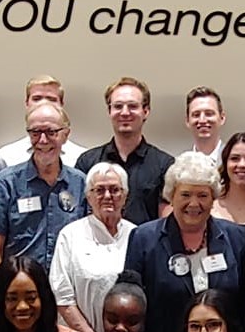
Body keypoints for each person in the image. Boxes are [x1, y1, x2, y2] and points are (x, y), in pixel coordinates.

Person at [123, 152, 245, 332]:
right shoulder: (143, 238)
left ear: (213, 199)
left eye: (202, 195)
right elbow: (134, 302)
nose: (194, 204)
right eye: (185, 195)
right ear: (171, 196)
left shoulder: (237, 238)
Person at [0, 102, 88, 279]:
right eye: (35, 132)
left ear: (65, 135)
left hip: (67, 290)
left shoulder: (81, 183)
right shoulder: (7, 182)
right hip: (20, 289)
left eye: (51, 132)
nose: (43, 140)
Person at [50, 162, 136, 332]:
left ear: (125, 195)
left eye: (114, 190)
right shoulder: (70, 235)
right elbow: (62, 296)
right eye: (99, 190)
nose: (107, 196)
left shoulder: (138, 235)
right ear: (88, 197)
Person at [74, 76, 175, 224]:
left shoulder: (164, 165)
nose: (125, 112)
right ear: (109, 111)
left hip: (146, 246)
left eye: (133, 106)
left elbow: (167, 221)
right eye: (118, 106)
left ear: (146, 111)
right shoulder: (87, 162)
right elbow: (79, 213)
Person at [0, 75, 89, 169]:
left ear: (61, 104)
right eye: (37, 99)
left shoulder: (81, 157)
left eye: (51, 99)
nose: (44, 103)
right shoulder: (6, 155)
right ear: (27, 103)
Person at [185, 86, 227, 163]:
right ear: (187, 121)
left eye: (209, 114)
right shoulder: (180, 166)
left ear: (222, 118)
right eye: (196, 114)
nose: (202, 120)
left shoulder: (234, 164)